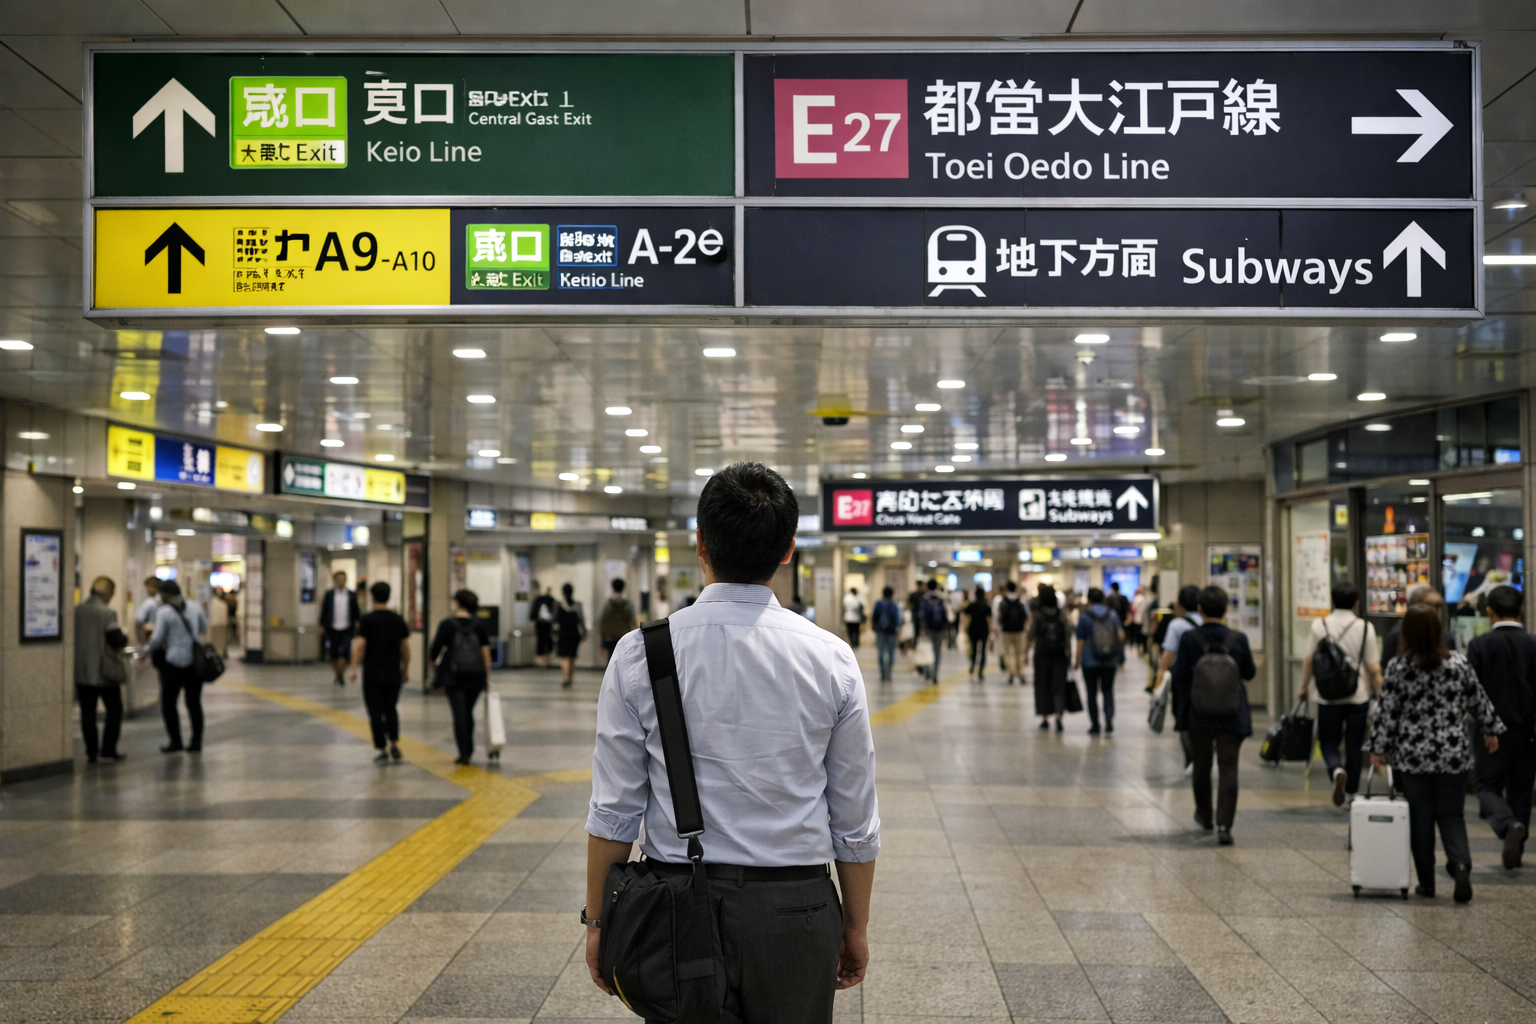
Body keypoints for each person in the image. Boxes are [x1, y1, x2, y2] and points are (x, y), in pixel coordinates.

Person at [584, 461, 879, 1019]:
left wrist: (600, 920)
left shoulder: (640, 653)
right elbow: (855, 819)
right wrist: (854, 925)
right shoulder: (831, 658)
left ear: (700, 543)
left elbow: (613, 811)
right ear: (788, 549)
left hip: (675, 909)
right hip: (799, 911)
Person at [1372, 605, 1505, 901]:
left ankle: (1427, 883)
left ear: (1405, 633)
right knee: (1451, 815)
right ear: (1438, 630)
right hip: (1453, 755)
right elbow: (1479, 701)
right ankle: (1460, 863)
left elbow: (1387, 713)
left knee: (1420, 817)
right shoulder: (1457, 663)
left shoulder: (1398, 667)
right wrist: (1490, 730)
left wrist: (1378, 749)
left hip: (1413, 757)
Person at [1171, 586, 1256, 845]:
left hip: (1199, 714)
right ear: (1226, 610)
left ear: (1199, 609)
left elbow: (1180, 676)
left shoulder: (1189, 638)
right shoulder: (1238, 639)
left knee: (1202, 765)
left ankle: (1205, 815)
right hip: (1232, 714)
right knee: (1229, 767)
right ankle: (1224, 825)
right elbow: (1249, 673)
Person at [1465, 584, 1536, 870]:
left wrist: (1484, 724)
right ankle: (1515, 851)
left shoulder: (1479, 645)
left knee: (1485, 783)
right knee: (1521, 787)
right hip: (1528, 730)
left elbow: (1471, 691)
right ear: (1521, 609)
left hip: (1490, 731)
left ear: (1488, 612)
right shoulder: (1533, 644)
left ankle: (1508, 827)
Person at [1298, 582, 1382, 807]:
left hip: (1327, 695)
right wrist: (1381, 695)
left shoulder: (1319, 625)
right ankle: (1352, 792)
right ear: (1357, 602)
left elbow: (1309, 660)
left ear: (1332, 601)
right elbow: (1373, 668)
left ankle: (1336, 770)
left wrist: (1304, 686)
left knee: (1328, 740)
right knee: (1355, 743)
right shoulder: (1365, 627)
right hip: (1358, 695)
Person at [145, 580, 210, 754]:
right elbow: (204, 627)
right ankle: (196, 742)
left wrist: (145, 651)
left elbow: (157, 639)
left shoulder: (163, 612)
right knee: (194, 703)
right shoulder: (195, 607)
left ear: (165, 595)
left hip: (173, 663)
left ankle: (175, 741)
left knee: (168, 703)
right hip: (194, 664)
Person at [351, 581, 411, 765]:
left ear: (371, 596)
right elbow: (406, 647)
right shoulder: (397, 619)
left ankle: (382, 748)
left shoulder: (368, 619)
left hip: (372, 672)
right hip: (393, 671)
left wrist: (353, 667)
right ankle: (395, 742)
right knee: (391, 708)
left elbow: (360, 644)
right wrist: (405, 669)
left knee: (375, 711)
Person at [430, 589, 492, 765]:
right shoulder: (479, 625)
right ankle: (469, 748)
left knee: (459, 714)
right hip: (476, 676)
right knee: (468, 712)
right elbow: (485, 654)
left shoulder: (447, 624)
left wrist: (432, 669)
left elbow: (435, 649)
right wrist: (487, 677)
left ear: (457, 603)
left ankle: (464, 752)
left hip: (453, 675)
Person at [75, 576, 128, 764]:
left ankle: (91, 752)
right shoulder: (107, 613)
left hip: (82, 673)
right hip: (104, 673)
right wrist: (125, 637)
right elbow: (116, 640)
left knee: (87, 713)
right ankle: (108, 749)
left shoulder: (77, 611)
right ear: (107, 594)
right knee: (115, 710)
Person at [1158, 586, 1204, 772]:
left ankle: (1192, 759)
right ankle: (1204, 756)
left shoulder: (1176, 624)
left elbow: (1168, 655)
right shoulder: (1206, 620)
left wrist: (1159, 678)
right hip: (1207, 677)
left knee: (1182, 717)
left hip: (1183, 678)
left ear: (1180, 604)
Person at [1074, 587, 1125, 735]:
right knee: (1108, 690)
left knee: (1091, 693)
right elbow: (1121, 636)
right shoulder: (1113, 614)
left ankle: (1095, 724)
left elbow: (1080, 641)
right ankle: (1109, 717)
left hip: (1090, 662)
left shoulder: (1084, 616)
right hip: (1109, 660)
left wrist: (1077, 660)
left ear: (1088, 599)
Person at [1026, 584, 1071, 732]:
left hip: (1042, 655)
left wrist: (1024, 653)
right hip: (1059, 655)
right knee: (1059, 685)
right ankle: (1058, 716)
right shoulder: (1061, 613)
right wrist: (1069, 652)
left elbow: (1030, 635)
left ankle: (1044, 717)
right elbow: (1067, 634)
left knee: (1042, 685)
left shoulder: (1038, 614)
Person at [320, 571, 361, 687]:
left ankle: (340, 674)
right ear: (334, 580)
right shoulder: (329, 594)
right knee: (333, 652)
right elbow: (324, 609)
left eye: (343, 579)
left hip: (347, 627)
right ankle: (338, 673)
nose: (341, 581)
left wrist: (358, 621)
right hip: (332, 627)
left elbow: (356, 610)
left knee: (346, 650)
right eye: (338, 579)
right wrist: (321, 624)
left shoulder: (351, 594)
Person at [596, 578, 638, 667]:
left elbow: (602, 621)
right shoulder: (628, 604)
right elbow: (633, 621)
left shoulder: (607, 604)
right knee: (623, 658)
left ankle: (611, 677)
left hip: (610, 635)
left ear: (612, 588)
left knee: (611, 658)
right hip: (624, 634)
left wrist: (601, 639)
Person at [555, 582, 587, 688]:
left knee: (563, 656)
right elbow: (582, 620)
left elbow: (555, 620)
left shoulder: (559, 605)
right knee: (572, 656)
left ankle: (566, 677)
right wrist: (584, 632)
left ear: (562, 592)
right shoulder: (577, 605)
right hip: (575, 634)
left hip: (563, 634)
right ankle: (570, 677)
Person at [917, 579, 949, 682]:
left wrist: (922, 628)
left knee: (927, 650)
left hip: (928, 629)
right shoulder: (941, 598)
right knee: (937, 652)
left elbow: (921, 614)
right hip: (940, 629)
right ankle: (935, 674)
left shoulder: (925, 598)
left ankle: (928, 672)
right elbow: (945, 614)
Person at [997, 581, 1029, 685]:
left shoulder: (1003, 601)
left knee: (1007, 653)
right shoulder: (1021, 601)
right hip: (1019, 631)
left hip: (1006, 631)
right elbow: (1026, 617)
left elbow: (999, 616)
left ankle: (1011, 672)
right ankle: (1020, 673)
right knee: (1019, 653)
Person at [871, 585, 902, 683]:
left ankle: (883, 673)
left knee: (881, 651)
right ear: (892, 594)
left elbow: (874, 617)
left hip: (880, 631)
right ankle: (889, 673)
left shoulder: (878, 604)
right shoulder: (894, 605)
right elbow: (897, 620)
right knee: (891, 652)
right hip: (892, 631)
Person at [531, 584, 557, 667]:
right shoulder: (552, 600)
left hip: (540, 623)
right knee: (547, 642)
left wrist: (534, 619)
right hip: (547, 624)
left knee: (541, 641)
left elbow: (534, 611)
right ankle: (546, 661)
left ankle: (541, 661)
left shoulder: (538, 599)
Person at [134, 575, 161, 644]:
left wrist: (141, 642)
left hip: (150, 636)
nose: (147, 590)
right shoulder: (162, 601)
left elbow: (139, 621)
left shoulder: (150, 602)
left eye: (148, 588)